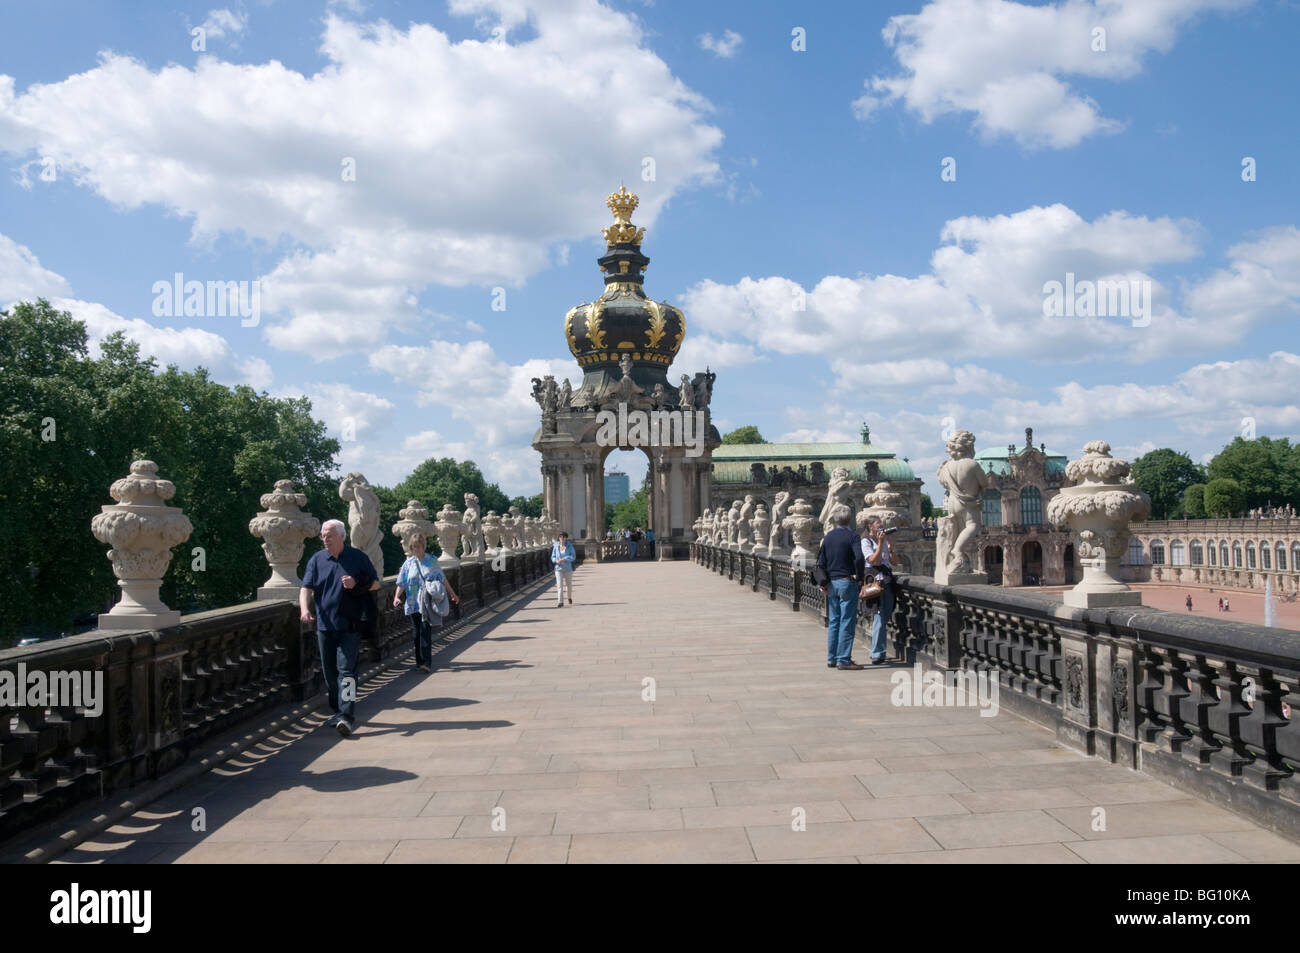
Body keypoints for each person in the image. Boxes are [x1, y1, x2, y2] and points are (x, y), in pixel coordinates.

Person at [300, 519, 380, 736]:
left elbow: (376, 583)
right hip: (324, 626)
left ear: (341, 536)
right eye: (323, 535)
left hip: (350, 626)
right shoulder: (317, 560)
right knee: (329, 673)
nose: (325, 538)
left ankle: (347, 714)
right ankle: (338, 710)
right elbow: (306, 587)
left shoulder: (357, 557)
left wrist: (356, 585)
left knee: (347, 672)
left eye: (329, 534)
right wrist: (304, 610)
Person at [393, 533, 458, 673]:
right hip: (412, 603)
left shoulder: (432, 561)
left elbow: (442, 579)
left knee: (424, 631)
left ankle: (426, 662)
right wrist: (396, 597)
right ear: (411, 547)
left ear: (424, 546)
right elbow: (402, 582)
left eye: (419, 546)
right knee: (416, 634)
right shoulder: (408, 563)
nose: (417, 549)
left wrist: (453, 594)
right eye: (414, 547)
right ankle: (419, 661)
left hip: (426, 602)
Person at [817, 504, 865, 670]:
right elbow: (859, 558)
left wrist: (823, 582)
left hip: (831, 583)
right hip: (846, 582)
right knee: (847, 621)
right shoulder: (853, 536)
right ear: (849, 519)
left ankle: (832, 658)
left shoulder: (828, 537)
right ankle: (843, 659)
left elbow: (821, 562)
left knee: (834, 621)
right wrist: (859, 577)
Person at [861, 516, 894, 665]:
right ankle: (877, 653)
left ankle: (879, 650)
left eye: (881, 524)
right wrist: (880, 543)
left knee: (886, 615)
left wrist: (891, 548)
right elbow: (874, 560)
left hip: (887, 580)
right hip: (876, 582)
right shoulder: (866, 542)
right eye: (878, 524)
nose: (881, 526)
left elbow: (894, 561)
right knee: (879, 616)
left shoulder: (885, 540)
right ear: (870, 527)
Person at [552, 530, 576, 607]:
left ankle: (569, 597)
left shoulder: (569, 546)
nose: (562, 538)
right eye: (560, 536)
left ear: (566, 538)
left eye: (563, 537)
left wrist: (564, 559)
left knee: (569, 585)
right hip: (558, 568)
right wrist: (555, 561)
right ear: (558, 538)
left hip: (568, 568)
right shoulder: (556, 546)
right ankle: (560, 602)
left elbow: (573, 556)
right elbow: (553, 556)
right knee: (559, 585)